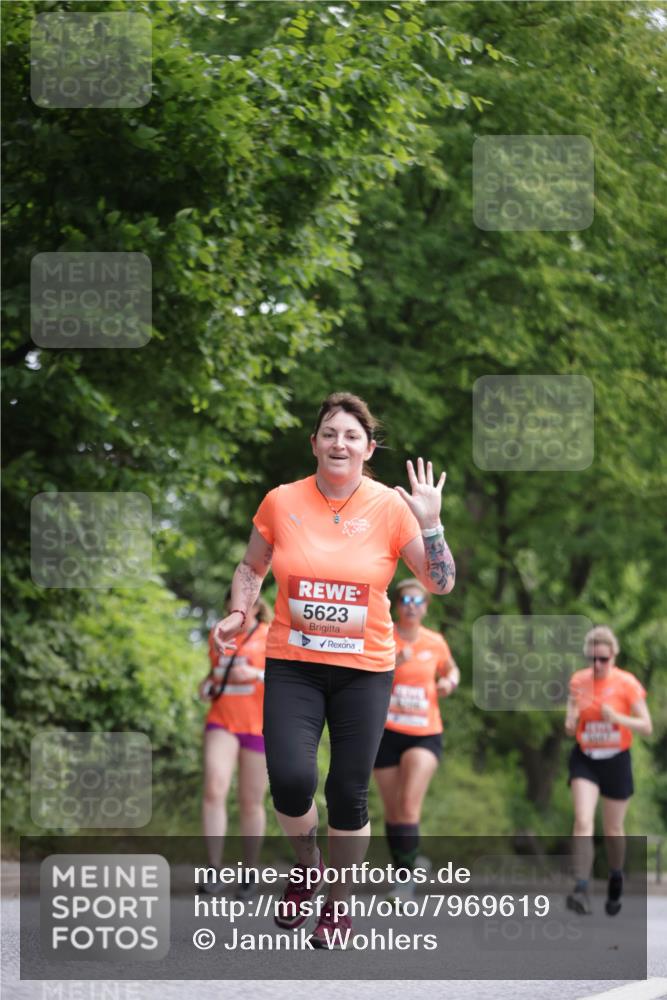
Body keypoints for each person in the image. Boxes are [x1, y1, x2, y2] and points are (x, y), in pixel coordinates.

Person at [213, 391, 455, 948]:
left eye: (351, 435)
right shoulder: (281, 501)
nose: (339, 443)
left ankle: (338, 907)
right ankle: (306, 865)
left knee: (348, 790)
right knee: (293, 781)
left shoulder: (390, 509)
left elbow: (440, 582)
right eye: (329, 433)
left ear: (368, 448)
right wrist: (237, 611)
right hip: (294, 664)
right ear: (315, 443)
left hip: (365, 669)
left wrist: (434, 525)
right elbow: (253, 566)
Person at [373, 577, 460, 901]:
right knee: (394, 810)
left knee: (409, 804)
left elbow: (452, 670)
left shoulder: (435, 642)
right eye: (405, 601)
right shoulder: (384, 638)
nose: (411, 607)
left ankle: (405, 884)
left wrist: (449, 682)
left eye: (417, 602)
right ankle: (406, 864)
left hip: (424, 734)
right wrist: (392, 664)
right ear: (397, 606)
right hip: (385, 733)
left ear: (425, 607)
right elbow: (363, 676)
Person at [564, 625, 652, 916]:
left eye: (603, 659)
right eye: (592, 659)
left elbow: (647, 726)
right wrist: (571, 720)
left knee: (613, 830)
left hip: (616, 759)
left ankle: (616, 876)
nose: (597, 665)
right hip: (586, 757)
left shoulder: (627, 683)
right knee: (583, 820)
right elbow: (569, 722)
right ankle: (581, 887)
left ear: (614, 656)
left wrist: (619, 718)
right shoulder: (578, 681)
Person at [198, 597, 271, 899]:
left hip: (259, 726)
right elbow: (213, 674)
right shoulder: (218, 633)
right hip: (222, 720)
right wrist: (206, 686)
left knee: (250, 801)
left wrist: (256, 675)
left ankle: (249, 873)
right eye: (230, 604)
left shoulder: (271, 634)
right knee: (214, 788)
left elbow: (288, 679)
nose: (234, 609)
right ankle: (214, 870)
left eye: (242, 605)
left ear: (255, 606)